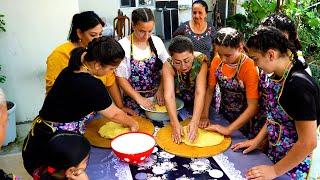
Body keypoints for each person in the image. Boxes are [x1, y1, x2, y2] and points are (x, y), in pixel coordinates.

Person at [22, 36, 139, 175]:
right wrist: (132, 123)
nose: (112, 72)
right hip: (55, 142)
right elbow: (113, 114)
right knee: (64, 174)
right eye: (112, 68)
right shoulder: (90, 85)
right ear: (97, 65)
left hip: (40, 133)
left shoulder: (72, 68)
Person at [232, 27, 319, 179]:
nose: (254, 65)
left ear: (271, 54)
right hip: (276, 155)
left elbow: (308, 142)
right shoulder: (278, 76)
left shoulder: (298, 86)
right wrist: (257, 140)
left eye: (255, 59)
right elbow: (275, 114)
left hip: (294, 163)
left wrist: (275, 171)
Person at [45, 11, 135, 115]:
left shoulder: (100, 51)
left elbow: (110, 81)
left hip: (96, 110)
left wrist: (120, 107)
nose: (98, 39)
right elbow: (53, 91)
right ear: (79, 33)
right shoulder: (60, 55)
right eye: (93, 35)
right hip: (68, 114)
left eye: (100, 34)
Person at [200, 27, 260, 138]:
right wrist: (204, 114)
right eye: (219, 53)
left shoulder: (249, 67)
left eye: (227, 55)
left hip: (244, 119)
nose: (223, 59)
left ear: (240, 48)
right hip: (222, 112)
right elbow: (210, 89)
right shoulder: (217, 60)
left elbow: (253, 107)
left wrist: (228, 130)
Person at [115, 8, 170, 115]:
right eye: (142, 31)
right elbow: (120, 77)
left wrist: (161, 89)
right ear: (133, 25)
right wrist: (139, 98)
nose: (146, 36)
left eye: (150, 31)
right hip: (133, 99)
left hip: (157, 97)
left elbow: (167, 66)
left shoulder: (157, 42)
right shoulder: (122, 46)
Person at [163, 36, 208, 144]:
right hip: (180, 102)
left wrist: (195, 121)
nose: (183, 66)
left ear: (193, 54)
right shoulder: (168, 65)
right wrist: (175, 123)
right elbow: (169, 95)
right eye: (177, 62)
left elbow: (199, 92)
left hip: (200, 102)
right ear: (172, 59)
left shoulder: (201, 61)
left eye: (187, 61)